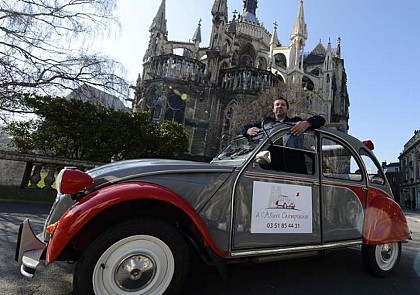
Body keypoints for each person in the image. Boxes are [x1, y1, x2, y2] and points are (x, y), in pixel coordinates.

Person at [240, 97, 326, 137]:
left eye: (283, 105)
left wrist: (307, 123)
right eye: (277, 105)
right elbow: (244, 128)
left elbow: (321, 120)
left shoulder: (295, 122)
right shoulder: (265, 123)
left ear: (287, 109)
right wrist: (248, 130)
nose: (279, 106)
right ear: (273, 109)